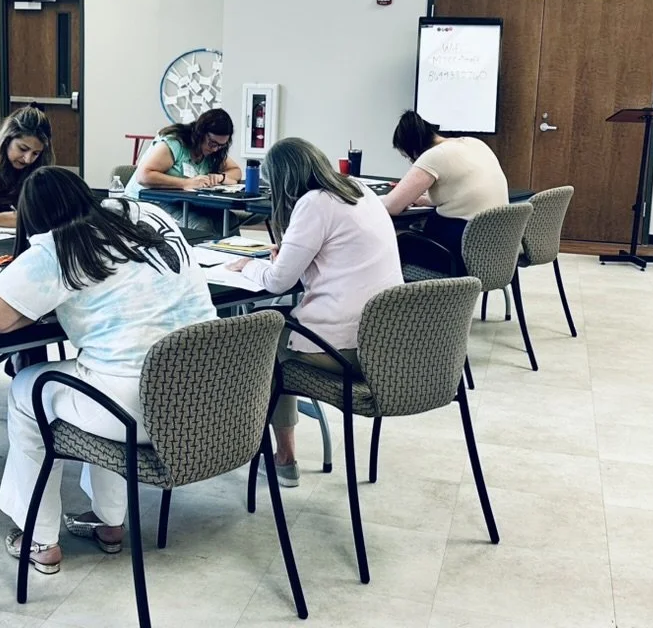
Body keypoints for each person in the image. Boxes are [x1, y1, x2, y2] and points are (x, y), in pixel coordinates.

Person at [0, 167, 217, 574]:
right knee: (100, 369)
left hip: (138, 407)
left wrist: (30, 311)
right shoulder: (146, 214)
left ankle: (39, 537)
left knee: (27, 392)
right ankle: (109, 523)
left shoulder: (58, 246)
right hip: (204, 393)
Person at [227, 138, 402, 487]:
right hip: (386, 342)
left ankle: (284, 458)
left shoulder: (313, 204)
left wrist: (247, 266)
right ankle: (276, 448)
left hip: (347, 349)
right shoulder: (358, 188)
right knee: (283, 323)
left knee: (265, 341)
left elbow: (277, 282)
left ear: (283, 180)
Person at [381, 110, 508, 272]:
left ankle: (402, 296)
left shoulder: (433, 156)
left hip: (460, 251)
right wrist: (422, 200)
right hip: (497, 248)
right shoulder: (475, 143)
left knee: (400, 243)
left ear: (413, 150)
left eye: (408, 158)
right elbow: (463, 194)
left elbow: (391, 206)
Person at [124, 108, 243, 233]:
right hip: (144, 203)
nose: (215, 149)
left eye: (221, 145)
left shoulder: (212, 152)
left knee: (229, 221)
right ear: (200, 133)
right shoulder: (175, 143)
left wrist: (221, 178)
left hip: (179, 203)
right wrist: (186, 183)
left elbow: (235, 171)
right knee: (200, 226)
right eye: (212, 143)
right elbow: (143, 176)